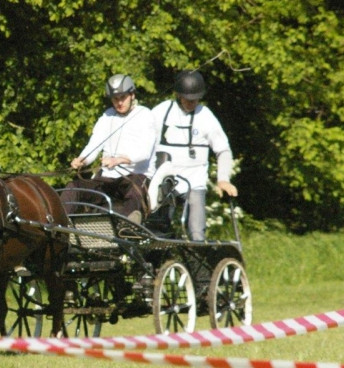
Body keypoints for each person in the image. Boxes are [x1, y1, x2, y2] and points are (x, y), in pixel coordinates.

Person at [151, 70, 238, 241]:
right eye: (188, 99)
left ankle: (198, 263)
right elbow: (143, 142)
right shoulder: (161, 112)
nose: (192, 102)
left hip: (195, 181)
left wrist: (223, 179)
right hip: (165, 181)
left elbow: (223, 150)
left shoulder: (205, 116)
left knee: (197, 232)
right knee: (157, 229)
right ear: (178, 95)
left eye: (196, 99)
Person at [60, 73, 156, 223]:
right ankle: (60, 224)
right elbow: (94, 144)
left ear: (132, 95)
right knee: (74, 187)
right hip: (107, 178)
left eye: (123, 97)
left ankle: (126, 226)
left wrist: (118, 160)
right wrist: (82, 160)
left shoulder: (145, 115)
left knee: (134, 195)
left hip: (136, 176)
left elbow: (145, 152)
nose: (119, 103)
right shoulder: (107, 116)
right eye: (115, 99)